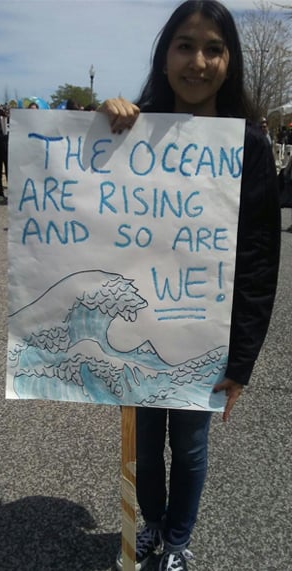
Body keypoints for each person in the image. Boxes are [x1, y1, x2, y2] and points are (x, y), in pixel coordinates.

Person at [99, 2, 280, 570]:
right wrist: (101, 114)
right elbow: (79, 188)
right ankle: (151, 526)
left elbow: (258, 261)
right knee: (145, 443)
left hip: (205, 329)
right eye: (184, 45)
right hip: (136, 326)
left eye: (213, 49)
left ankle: (177, 543)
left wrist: (243, 359)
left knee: (192, 445)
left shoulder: (248, 147)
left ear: (230, 62)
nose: (197, 61)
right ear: (164, 54)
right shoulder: (132, 128)